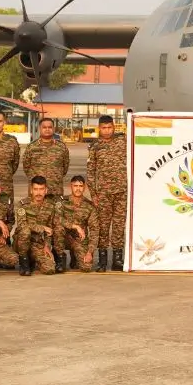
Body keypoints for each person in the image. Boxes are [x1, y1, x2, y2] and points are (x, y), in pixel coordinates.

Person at [87, 114, 127, 272]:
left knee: (118, 226)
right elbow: (90, 172)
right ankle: (102, 261)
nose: (107, 130)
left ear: (114, 127)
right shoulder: (95, 146)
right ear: (99, 129)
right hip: (103, 194)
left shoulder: (122, 141)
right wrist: (94, 194)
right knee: (103, 227)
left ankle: (117, 260)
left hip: (121, 192)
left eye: (110, 127)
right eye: (104, 128)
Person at [13, 176, 59, 275]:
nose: (38, 193)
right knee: (25, 231)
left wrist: (47, 246)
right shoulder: (23, 205)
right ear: (31, 190)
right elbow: (22, 225)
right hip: (21, 243)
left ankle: (33, 259)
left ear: (46, 190)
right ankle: (24, 263)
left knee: (49, 269)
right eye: (36, 189)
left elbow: (50, 230)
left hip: (38, 244)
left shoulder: (50, 206)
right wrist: (42, 228)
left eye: (41, 189)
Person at [56, 175, 100, 272]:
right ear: (70, 186)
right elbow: (57, 219)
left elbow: (95, 230)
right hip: (63, 237)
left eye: (80, 186)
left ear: (84, 187)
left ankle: (75, 256)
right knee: (58, 228)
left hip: (79, 239)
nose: (78, 189)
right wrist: (75, 226)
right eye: (75, 186)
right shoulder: (62, 202)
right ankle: (60, 258)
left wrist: (90, 252)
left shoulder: (89, 206)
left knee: (86, 267)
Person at [21, 117, 70, 203]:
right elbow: (26, 167)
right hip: (37, 192)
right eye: (44, 127)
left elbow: (65, 167)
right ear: (40, 128)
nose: (47, 129)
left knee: (56, 215)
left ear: (53, 129)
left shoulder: (62, 147)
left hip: (56, 191)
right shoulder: (32, 147)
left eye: (50, 127)